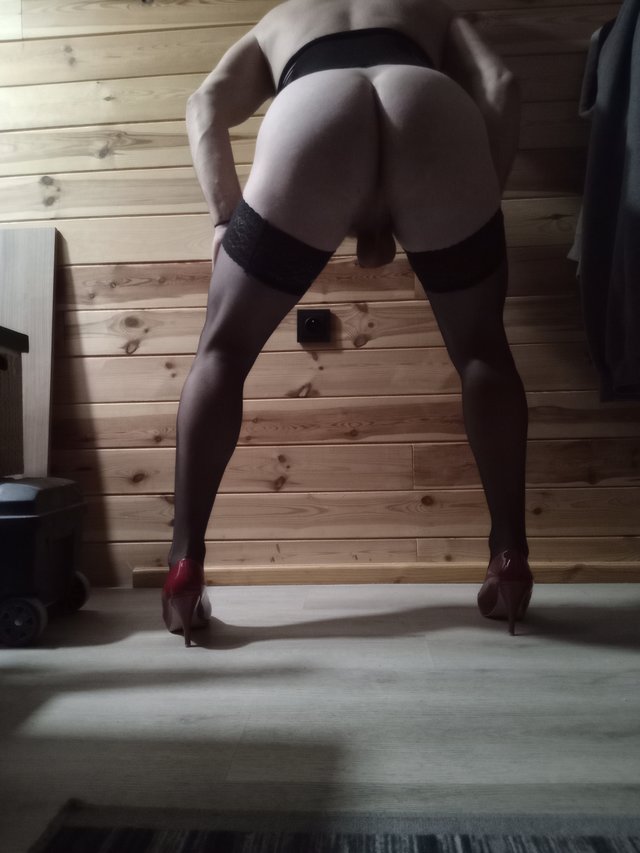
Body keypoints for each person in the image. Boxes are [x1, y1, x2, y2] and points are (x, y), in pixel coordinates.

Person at [161, 0, 534, 646]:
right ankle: (510, 557)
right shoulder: (427, 9)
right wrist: (478, 201)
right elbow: (501, 85)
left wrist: (224, 216)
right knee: (483, 352)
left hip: (313, 107)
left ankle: (183, 565)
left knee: (222, 351)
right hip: (430, 105)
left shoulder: (283, 18)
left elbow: (204, 104)